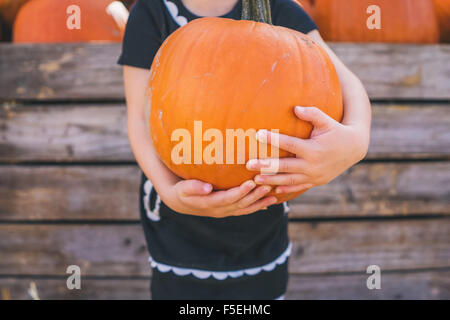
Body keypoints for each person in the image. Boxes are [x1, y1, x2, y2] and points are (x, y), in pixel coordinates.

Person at [118, 0, 371, 300]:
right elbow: (138, 117)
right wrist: (168, 191)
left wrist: (355, 141)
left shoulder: (279, 10)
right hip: (179, 226)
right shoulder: (152, 12)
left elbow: (349, 86)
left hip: (261, 227)